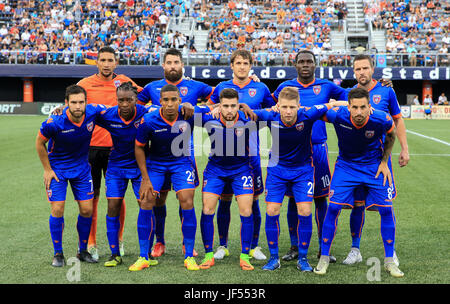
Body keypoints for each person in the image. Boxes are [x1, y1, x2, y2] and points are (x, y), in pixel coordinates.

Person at [314, 87, 404, 278]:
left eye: (363, 107)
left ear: (369, 106)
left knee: (387, 209)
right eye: (354, 107)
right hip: (346, 167)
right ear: (348, 107)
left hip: (373, 167)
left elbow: (392, 133)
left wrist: (384, 161)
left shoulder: (381, 118)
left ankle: (389, 261)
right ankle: (324, 257)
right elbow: (315, 113)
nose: (359, 112)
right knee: (333, 209)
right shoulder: (338, 116)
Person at [254, 87, 347, 271]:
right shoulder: (269, 115)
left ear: (299, 106)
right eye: (284, 107)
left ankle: (303, 259)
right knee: (272, 210)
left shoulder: (308, 114)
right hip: (277, 170)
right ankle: (273, 258)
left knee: (304, 210)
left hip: (303, 171)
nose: (288, 111)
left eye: (292, 107)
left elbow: (333, 104)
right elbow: (246, 112)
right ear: (277, 106)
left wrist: (351, 104)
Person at [272, 50, 348, 263]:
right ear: (294, 64)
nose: (305, 65)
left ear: (316, 64)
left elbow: (350, 98)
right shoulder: (284, 88)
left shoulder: (326, 86)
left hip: (317, 150)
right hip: (290, 151)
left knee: (321, 198)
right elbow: (268, 105)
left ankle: (324, 248)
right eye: (301, 62)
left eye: (309, 61)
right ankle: (295, 246)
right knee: (293, 199)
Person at [207, 50, 276, 261]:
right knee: (224, 200)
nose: (242, 67)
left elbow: (272, 110)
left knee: (253, 201)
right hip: (222, 153)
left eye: (246, 63)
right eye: (238, 63)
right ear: (232, 65)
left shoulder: (260, 87)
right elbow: (209, 109)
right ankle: (222, 245)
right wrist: (217, 107)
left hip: (251, 155)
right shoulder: (221, 88)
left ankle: (254, 246)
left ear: (250, 66)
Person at [77, 46, 143, 261]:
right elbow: (74, 107)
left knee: (117, 197)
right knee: (92, 197)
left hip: (119, 151)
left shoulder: (126, 83)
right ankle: (92, 243)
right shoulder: (84, 84)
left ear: (116, 62)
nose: (106, 64)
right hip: (91, 148)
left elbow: (147, 98)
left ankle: (119, 240)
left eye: (110, 60)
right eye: (102, 60)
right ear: (97, 62)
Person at [134, 85, 210, 271]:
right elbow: (139, 147)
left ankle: (189, 255)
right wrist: (145, 178)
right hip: (156, 165)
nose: (169, 104)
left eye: (174, 100)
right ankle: (144, 256)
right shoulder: (149, 120)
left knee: (186, 200)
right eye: (166, 100)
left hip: (181, 163)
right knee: (147, 201)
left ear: (179, 101)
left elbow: (213, 108)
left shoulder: (189, 115)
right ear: (160, 101)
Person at [342, 54, 409, 265]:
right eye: (357, 69)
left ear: (373, 69)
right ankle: (355, 249)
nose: (361, 72)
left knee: (385, 206)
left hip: (381, 159)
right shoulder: (349, 93)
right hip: (355, 160)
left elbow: (397, 121)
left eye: (365, 68)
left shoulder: (386, 91)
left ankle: (391, 251)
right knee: (357, 205)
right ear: (353, 72)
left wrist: (404, 149)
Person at [36, 85, 105, 267]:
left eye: (81, 102)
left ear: (86, 102)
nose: (77, 106)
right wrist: (47, 170)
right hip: (57, 170)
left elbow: (114, 111)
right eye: (73, 102)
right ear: (66, 103)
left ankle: (82, 251)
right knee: (57, 209)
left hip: (82, 169)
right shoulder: (55, 121)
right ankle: (58, 253)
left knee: (87, 210)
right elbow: (39, 143)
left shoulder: (92, 113)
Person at [92, 82, 157, 267]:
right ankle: (115, 254)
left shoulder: (146, 113)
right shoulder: (108, 115)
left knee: (145, 205)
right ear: (117, 100)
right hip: (116, 168)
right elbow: (88, 111)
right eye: (121, 100)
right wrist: (62, 109)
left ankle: (147, 254)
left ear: (136, 100)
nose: (125, 104)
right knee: (112, 206)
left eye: (130, 100)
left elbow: (167, 110)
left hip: (140, 168)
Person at [198, 88, 257, 271]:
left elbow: (270, 112)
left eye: (233, 106)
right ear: (220, 106)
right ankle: (209, 255)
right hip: (215, 170)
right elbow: (188, 110)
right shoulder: (210, 119)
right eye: (225, 106)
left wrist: (245, 107)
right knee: (207, 209)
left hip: (241, 170)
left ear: (238, 105)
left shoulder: (247, 118)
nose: (229, 110)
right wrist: (212, 107)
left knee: (246, 211)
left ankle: (245, 256)